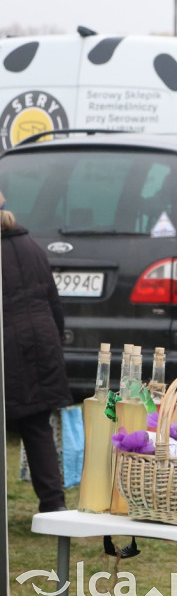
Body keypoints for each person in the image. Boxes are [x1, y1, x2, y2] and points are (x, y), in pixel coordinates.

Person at [0, 191, 71, 513]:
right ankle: (53, 505)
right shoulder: (31, 247)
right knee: (36, 427)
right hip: (42, 344)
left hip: (8, 347)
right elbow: (54, 303)